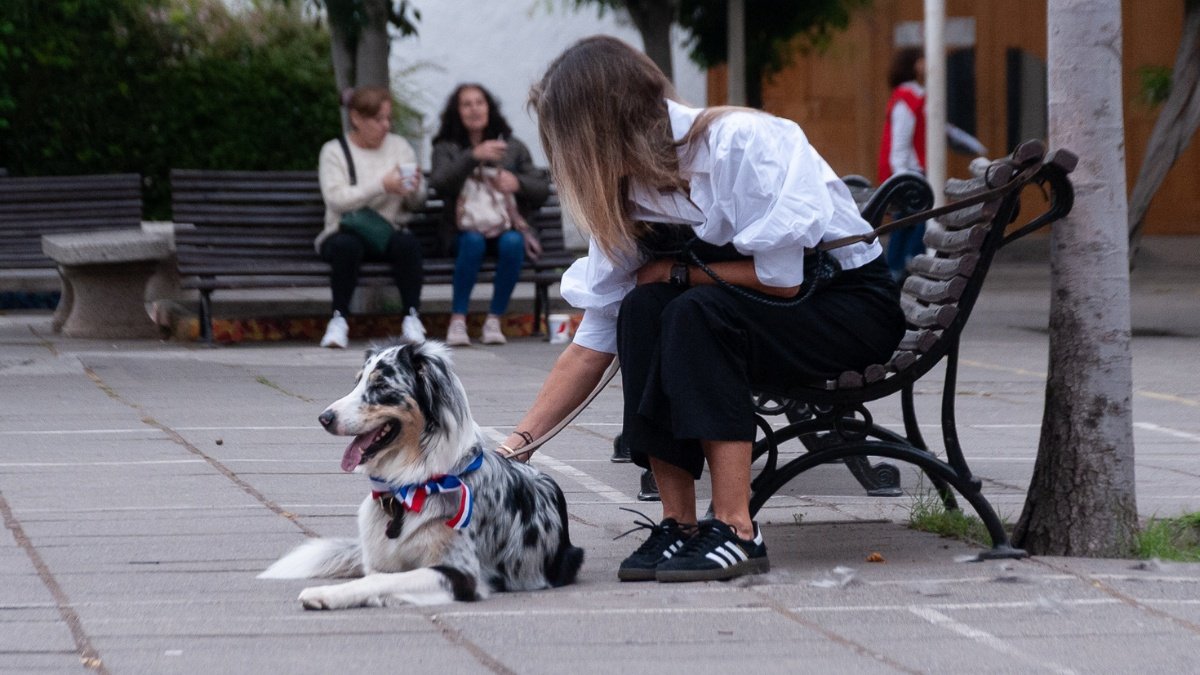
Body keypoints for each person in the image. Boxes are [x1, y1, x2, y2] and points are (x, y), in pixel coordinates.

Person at [502, 36, 906, 583]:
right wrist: (516, 447)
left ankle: (738, 529)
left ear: (602, 123)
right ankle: (680, 525)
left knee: (693, 309)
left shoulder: (739, 142)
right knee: (642, 310)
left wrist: (675, 272)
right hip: (748, 318)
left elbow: (782, 281)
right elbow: (594, 337)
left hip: (844, 311)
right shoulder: (622, 190)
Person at [429, 84, 550, 346]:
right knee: (473, 242)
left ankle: (494, 319)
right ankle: (458, 320)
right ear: (456, 111)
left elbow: (541, 189)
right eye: (467, 104)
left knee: (513, 242)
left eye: (479, 102)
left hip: (504, 227)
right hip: (462, 230)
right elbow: (439, 184)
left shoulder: (512, 146)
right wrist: (472, 156)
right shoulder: (446, 147)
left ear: (489, 107)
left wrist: (517, 183)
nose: (474, 109)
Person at [316, 86, 426, 348]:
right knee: (346, 247)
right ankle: (339, 320)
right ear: (356, 118)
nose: (386, 125)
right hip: (346, 231)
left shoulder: (399, 147)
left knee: (408, 245)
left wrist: (414, 189)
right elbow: (336, 199)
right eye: (378, 119)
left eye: (388, 118)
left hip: (388, 231)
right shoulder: (334, 151)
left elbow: (416, 203)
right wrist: (382, 186)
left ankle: (412, 318)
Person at [878, 47, 987, 282]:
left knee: (908, 226)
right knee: (913, 226)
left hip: (912, 174)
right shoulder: (907, 99)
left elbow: (942, 127)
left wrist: (971, 144)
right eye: (923, 59)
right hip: (911, 175)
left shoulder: (914, 97)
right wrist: (903, 180)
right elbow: (899, 145)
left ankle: (898, 272)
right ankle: (900, 272)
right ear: (914, 64)